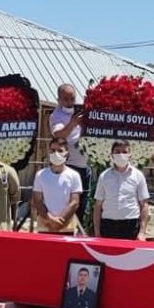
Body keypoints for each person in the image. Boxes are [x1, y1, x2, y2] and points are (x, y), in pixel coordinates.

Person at [93, 140, 150, 240]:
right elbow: (98, 205)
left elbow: (144, 204)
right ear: (112, 155)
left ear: (130, 155)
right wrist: (97, 232)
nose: (121, 155)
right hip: (108, 225)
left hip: (130, 225)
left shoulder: (138, 175)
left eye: (124, 152)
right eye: (117, 152)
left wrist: (142, 232)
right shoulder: (104, 176)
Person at [50, 83, 90, 224]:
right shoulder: (57, 115)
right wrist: (73, 123)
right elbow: (58, 135)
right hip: (69, 165)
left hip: (85, 165)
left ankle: (79, 231)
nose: (69, 102)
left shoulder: (81, 111)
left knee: (82, 203)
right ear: (59, 99)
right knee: (68, 203)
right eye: (65, 99)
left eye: (72, 98)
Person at [32, 138, 83, 235]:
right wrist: (50, 219)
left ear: (67, 154)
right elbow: (37, 201)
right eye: (53, 150)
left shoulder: (74, 175)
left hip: (66, 227)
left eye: (60, 150)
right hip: (45, 226)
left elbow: (75, 202)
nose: (56, 153)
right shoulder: (40, 175)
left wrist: (59, 222)